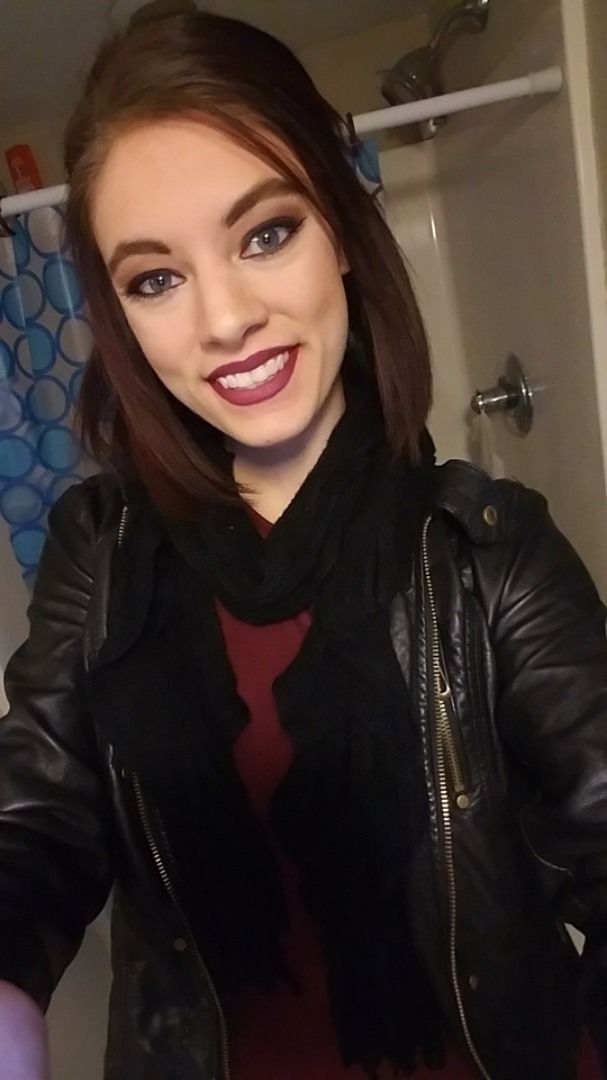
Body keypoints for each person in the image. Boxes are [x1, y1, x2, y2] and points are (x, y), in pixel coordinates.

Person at [0, 10, 606, 1080]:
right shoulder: (98, 555)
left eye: (265, 233)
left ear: (338, 230)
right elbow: (35, 820)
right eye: (155, 279)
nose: (224, 319)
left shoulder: (489, 553)